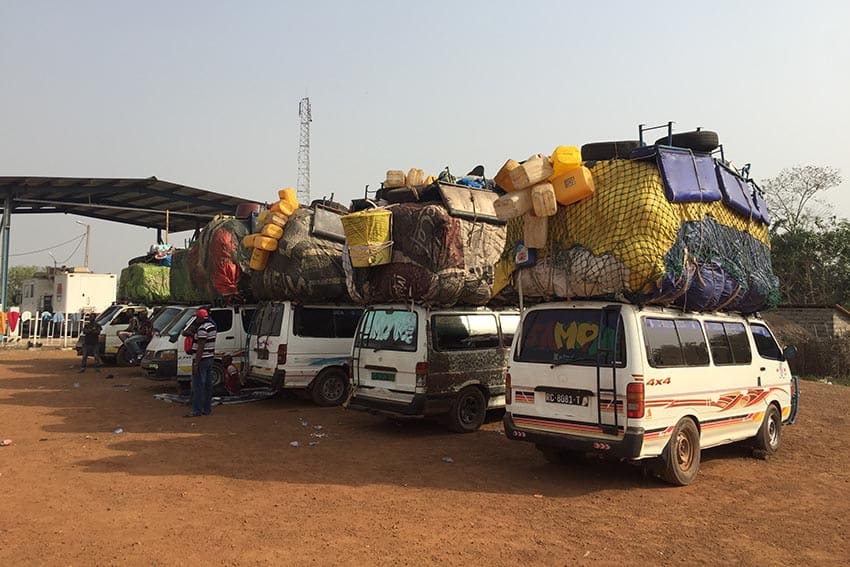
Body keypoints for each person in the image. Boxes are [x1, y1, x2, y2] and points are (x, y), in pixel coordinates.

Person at [186, 308, 217, 417]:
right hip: (209, 359)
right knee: (208, 386)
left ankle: (197, 410)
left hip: (202, 359)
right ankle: (206, 409)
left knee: (198, 386)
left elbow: (200, 347)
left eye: (196, 317)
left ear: (199, 318)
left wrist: (196, 364)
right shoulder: (212, 326)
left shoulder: (202, 329)